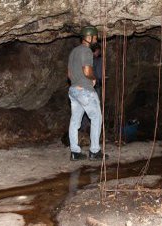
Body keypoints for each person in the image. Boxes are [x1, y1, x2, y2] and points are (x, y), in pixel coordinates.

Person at [67, 26, 107, 161]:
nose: (96, 40)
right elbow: (87, 71)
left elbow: (69, 74)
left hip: (73, 90)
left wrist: (76, 82)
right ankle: (95, 151)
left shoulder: (73, 52)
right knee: (96, 118)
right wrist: (94, 78)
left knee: (75, 121)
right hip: (85, 90)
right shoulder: (86, 51)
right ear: (89, 38)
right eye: (95, 38)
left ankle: (75, 152)